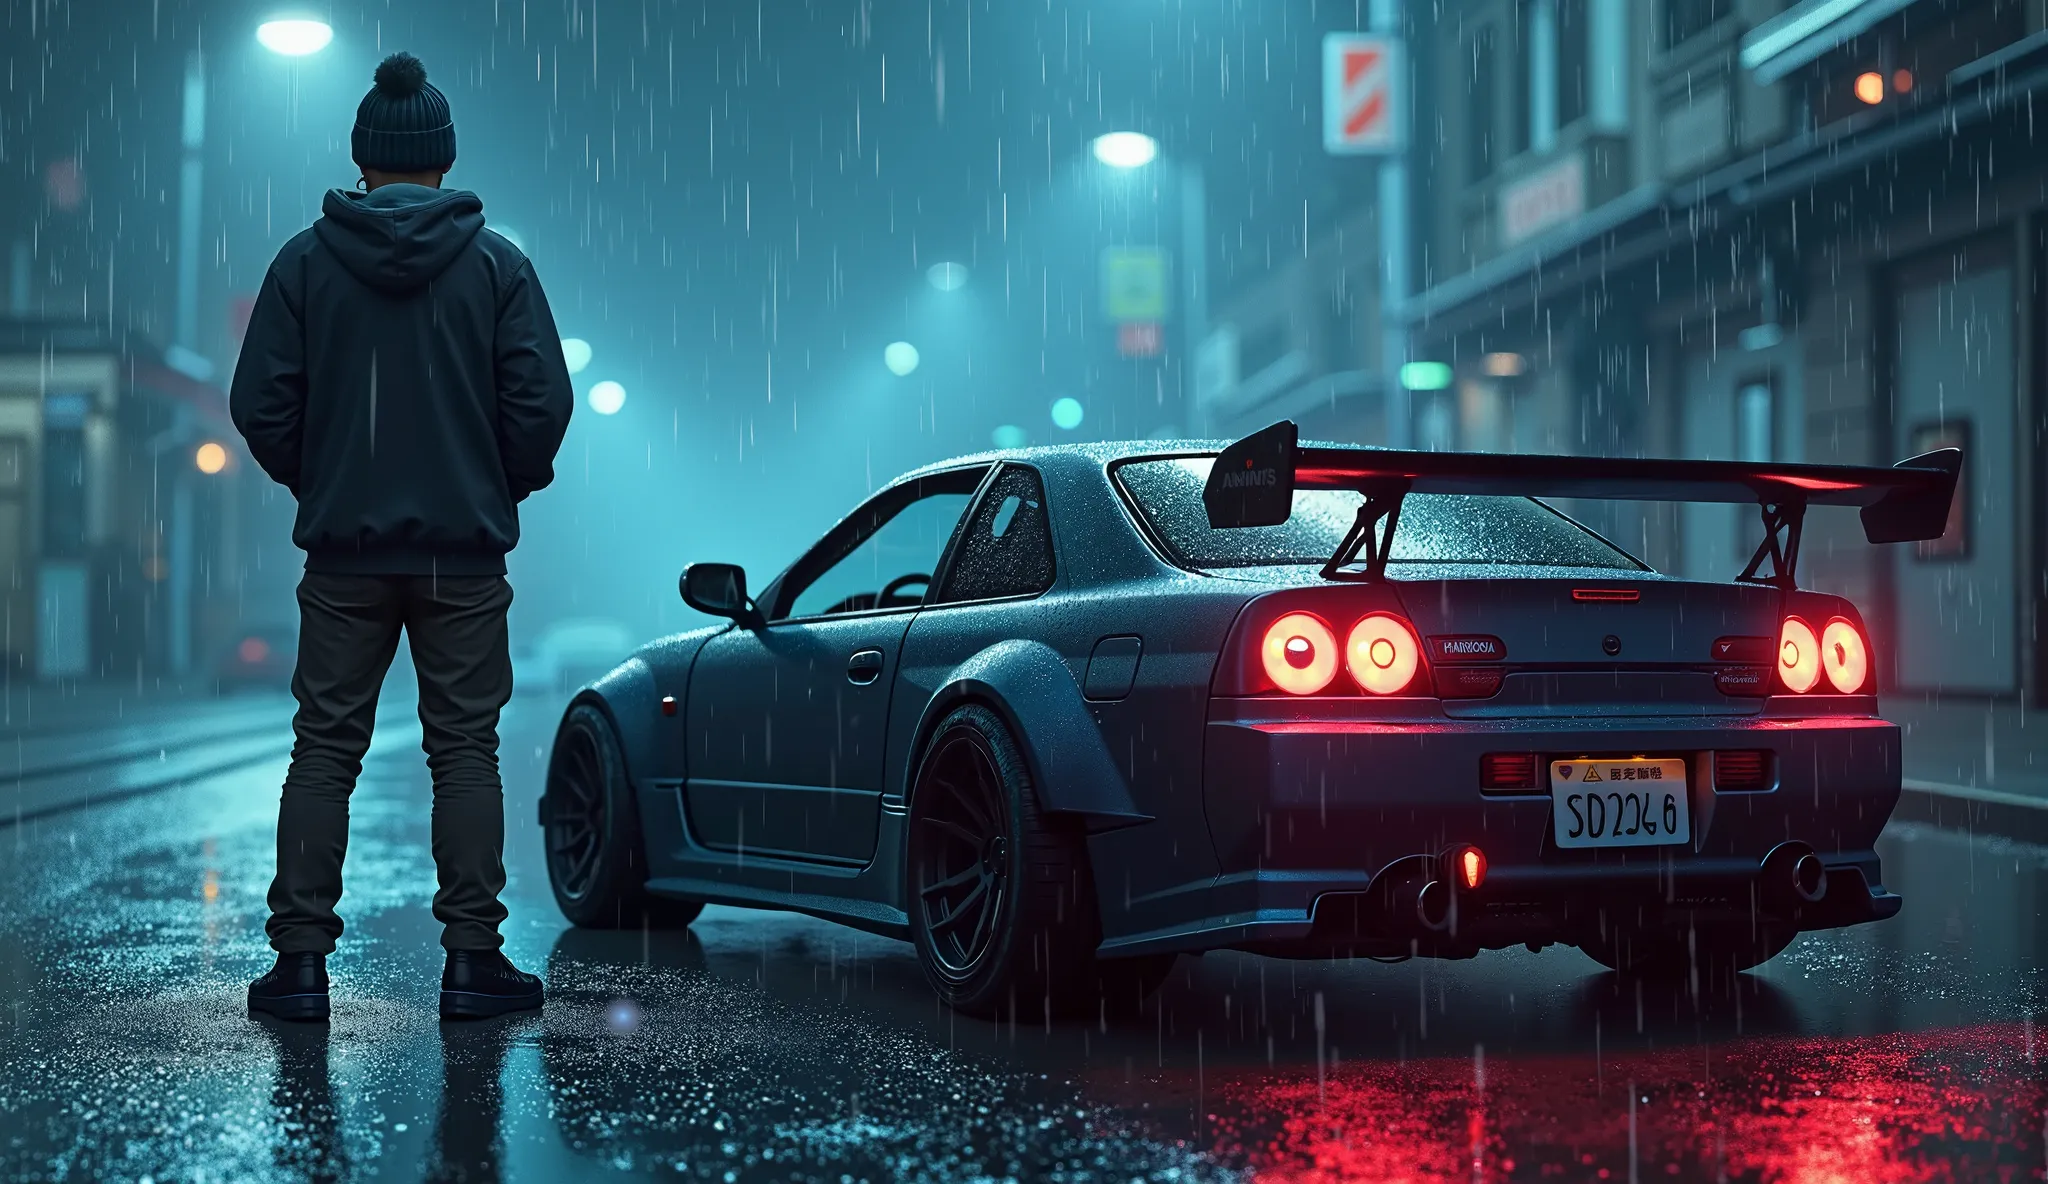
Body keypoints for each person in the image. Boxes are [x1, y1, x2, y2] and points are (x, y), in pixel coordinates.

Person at [231, 51, 574, 1022]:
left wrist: (327, 476)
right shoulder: (498, 264)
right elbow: (541, 403)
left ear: (364, 159)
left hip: (343, 554)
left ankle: (298, 967)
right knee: (463, 749)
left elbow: (258, 402)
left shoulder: (302, 263)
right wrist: (492, 481)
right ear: (441, 158)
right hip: (462, 555)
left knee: (323, 749)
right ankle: (472, 963)